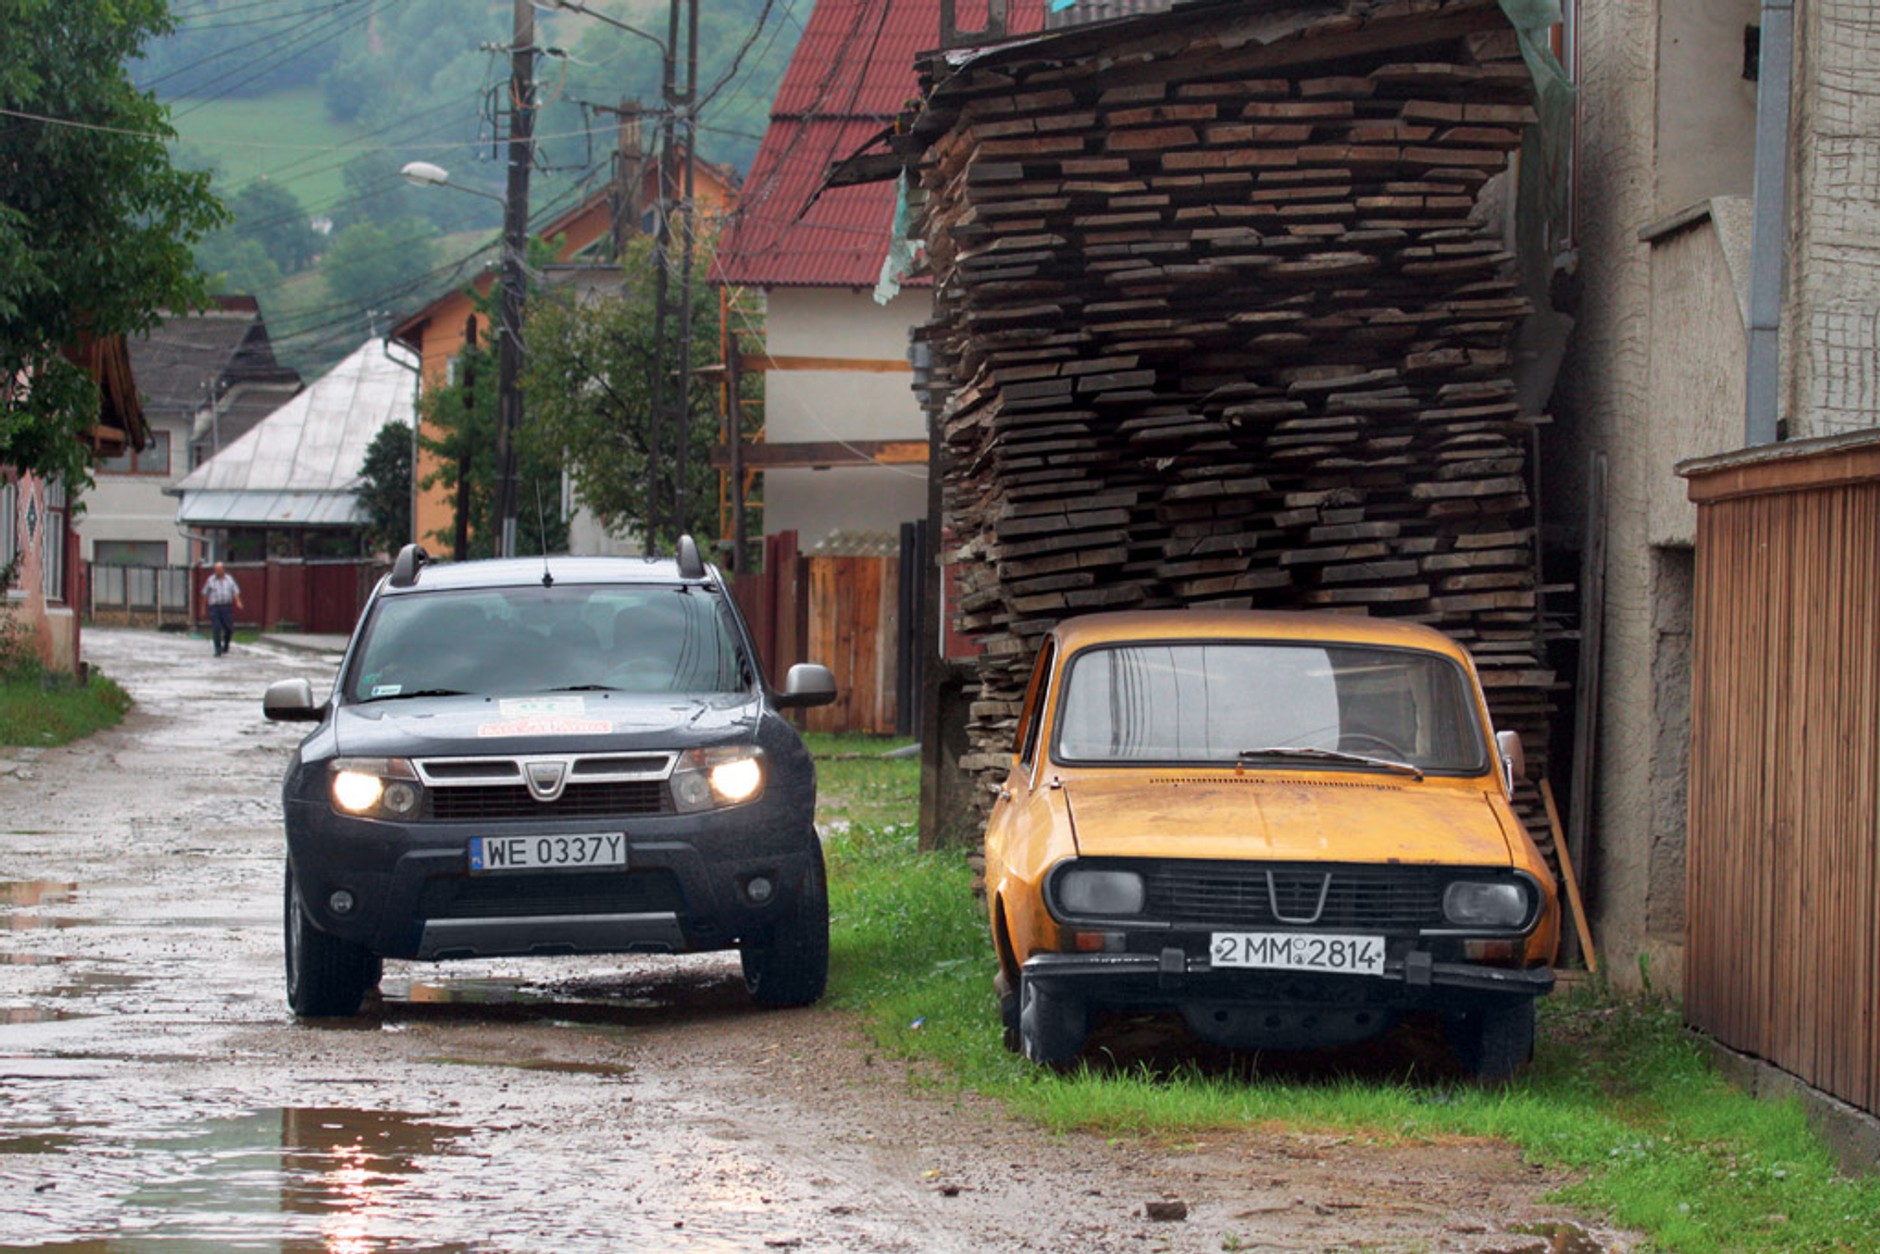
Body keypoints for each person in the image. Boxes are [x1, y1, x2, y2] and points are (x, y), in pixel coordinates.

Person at [203, 561, 244, 656]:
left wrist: (238, 602)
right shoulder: (211, 580)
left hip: (226, 607)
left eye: (219, 570)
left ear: (223, 570)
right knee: (216, 628)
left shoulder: (229, 579)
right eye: (215, 570)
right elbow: (205, 594)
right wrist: (203, 608)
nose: (217, 572)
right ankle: (217, 649)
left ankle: (225, 646)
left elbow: (235, 591)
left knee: (229, 628)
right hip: (214, 607)